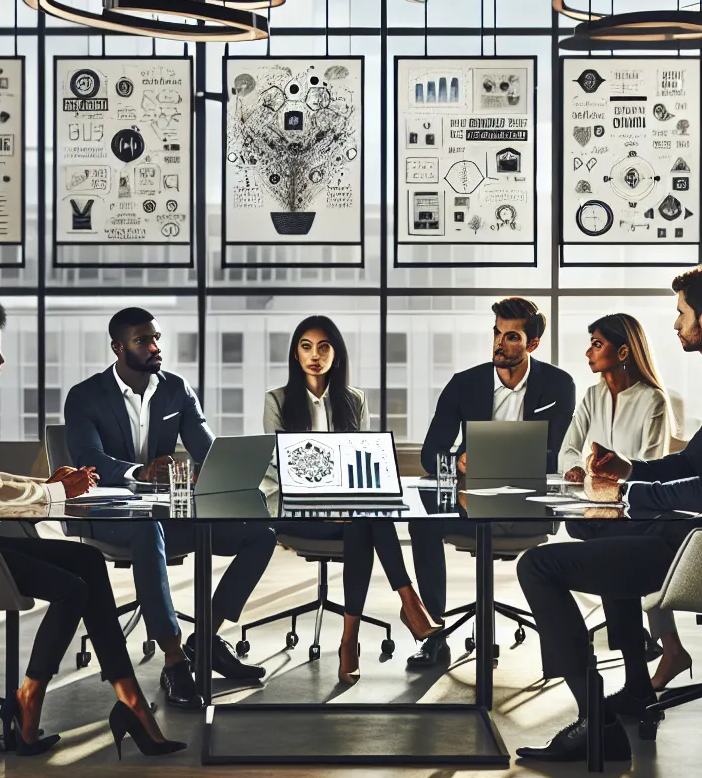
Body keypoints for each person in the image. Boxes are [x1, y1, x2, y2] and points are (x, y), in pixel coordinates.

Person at [515, 265, 702, 763]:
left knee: (537, 566)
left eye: (682, 314)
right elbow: (693, 460)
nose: (675, 324)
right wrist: (630, 471)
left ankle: (596, 725)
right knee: (604, 543)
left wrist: (628, 497)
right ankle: (635, 686)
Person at [0, 292, 183, 759]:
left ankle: (130, 702)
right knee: (71, 588)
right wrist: (57, 493)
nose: (1, 356)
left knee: (85, 559)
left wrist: (45, 483)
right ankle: (30, 701)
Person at [63, 307, 276, 709]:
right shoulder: (85, 396)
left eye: (156, 338)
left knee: (260, 533)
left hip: (165, 515)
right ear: (118, 347)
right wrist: (140, 472)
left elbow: (207, 451)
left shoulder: (176, 390)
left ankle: (206, 639)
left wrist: (214, 470)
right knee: (148, 530)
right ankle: (174, 660)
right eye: (142, 341)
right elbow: (88, 458)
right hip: (108, 518)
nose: (154, 347)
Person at [262, 316, 441, 684]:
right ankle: (408, 602)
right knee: (368, 519)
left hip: (347, 509)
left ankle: (350, 637)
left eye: (324, 346)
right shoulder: (277, 400)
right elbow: (280, 468)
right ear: (296, 354)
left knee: (364, 520)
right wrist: (325, 503)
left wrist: (345, 500)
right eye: (306, 346)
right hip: (297, 508)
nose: (315, 355)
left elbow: (359, 461)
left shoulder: (353, 399)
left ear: (336, 354)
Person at [406, 297, 576, 669]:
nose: (499, 344)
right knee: (421, 522)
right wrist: (457, 461)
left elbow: (557, 457)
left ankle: (559, 648)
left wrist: (505, 461)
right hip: (470, 498)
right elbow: (430, 452)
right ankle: (434, 635)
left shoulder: (559, 385)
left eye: (511, 336)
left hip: (529, 503)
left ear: (532, 344)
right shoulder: (464, 384)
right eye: (496, 333)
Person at [557, 313, 692, 690]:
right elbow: (568, 448)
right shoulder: (592, 395)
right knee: (612, 550)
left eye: (596, 344)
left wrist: (610, 476)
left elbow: (648, 467)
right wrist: (574, 470)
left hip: (638, 512)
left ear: (623, 350)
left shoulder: (654, 401)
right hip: (597, 512)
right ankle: (654, 652)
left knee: (615, 556)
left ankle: (637, 661)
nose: (588, 352)